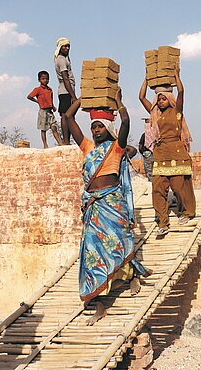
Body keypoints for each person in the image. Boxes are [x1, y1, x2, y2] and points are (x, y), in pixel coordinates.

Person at [64, 89, 151, 326]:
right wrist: (84, 97)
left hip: (113, 205)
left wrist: (118, 101)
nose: (95, 130)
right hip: (93, 207)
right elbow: (68, 119)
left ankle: (131, 276)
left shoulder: (116, 148)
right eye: (93, 127)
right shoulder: (87, 148)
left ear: (107, 128)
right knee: (92, 254)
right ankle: (100, 305)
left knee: (121, 243)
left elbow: (126, 122)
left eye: (100, 126)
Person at [139, 67, 196, 236]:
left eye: (164, 98)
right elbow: (141, 97)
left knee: (178, 187)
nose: (162, 101)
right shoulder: (155, 112)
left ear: (169, 99)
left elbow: (181, 91)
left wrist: (177, 76)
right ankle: (163, 221)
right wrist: (146, 79)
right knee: (158, 188)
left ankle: (185, 211)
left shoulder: (177, 110)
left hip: (177, 152)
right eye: (159, 98)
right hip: (160, 152)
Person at [27, 70, 63, 148]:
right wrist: (37, 102)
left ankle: (60, 143)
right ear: (39, 80)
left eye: (47, 79)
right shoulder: (38, 89)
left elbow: (51, 99)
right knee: (43, 129)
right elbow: (29, 96)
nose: (45, 80)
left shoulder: (49, 89)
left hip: (50, 111)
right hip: (43, 111)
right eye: (43, 79)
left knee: (54, 127)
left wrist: (53, 106)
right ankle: (45, 144)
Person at [54, 37, 77, 145]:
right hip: (65, 92)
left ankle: (67, 140)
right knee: (66, 115)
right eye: (65, 46)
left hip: (67, 91)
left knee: (70, 116)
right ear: (60, 47)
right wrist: (73, 96)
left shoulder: (64, 58)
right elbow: (65, 78)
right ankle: (66, 140)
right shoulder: (61, 60)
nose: (67, 48)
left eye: (68, 46)